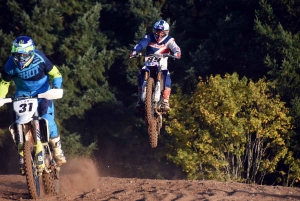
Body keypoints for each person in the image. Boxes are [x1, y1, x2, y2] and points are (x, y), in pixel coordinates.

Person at [0, 36, 66, 174]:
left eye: (24, 54)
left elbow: (56, 74)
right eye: (17, 55)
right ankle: (23, 157)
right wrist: (1, 96)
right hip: (22, 96)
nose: (21, 58)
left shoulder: (40, 58)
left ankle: (57, 151)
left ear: (31, 52)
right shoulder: (10, 65)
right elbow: (4, 83)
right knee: (18, 123)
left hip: (43, 94)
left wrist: (56, 87)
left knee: (47, 119)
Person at [130, 20, 181, 112]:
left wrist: (177, 53)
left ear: (166, 32)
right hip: (149, 63)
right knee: (141, 74)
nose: (159, 34)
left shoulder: (169, 40)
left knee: (167, 76)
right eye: (157, 31)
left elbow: (175, 47)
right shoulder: (149, 37)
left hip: (162, 65)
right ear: (154, 30)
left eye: (162, 32)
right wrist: (135, 51)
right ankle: (140, 99)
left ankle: (165, 101)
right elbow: (141, 44)